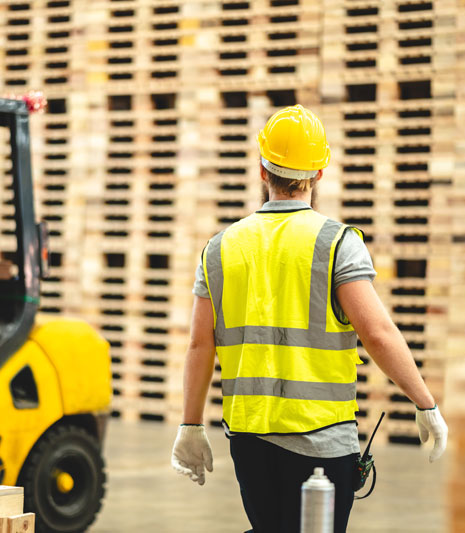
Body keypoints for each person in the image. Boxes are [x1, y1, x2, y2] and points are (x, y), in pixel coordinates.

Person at [170, 105, 448, 533]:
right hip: (321, 441)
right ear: (319, 174)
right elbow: (376, 332)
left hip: (249, 440)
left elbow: (199, 344)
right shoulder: (336, 242)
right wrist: (425, 402)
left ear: (263, 171)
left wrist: (191, 424)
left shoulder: (219, 248)